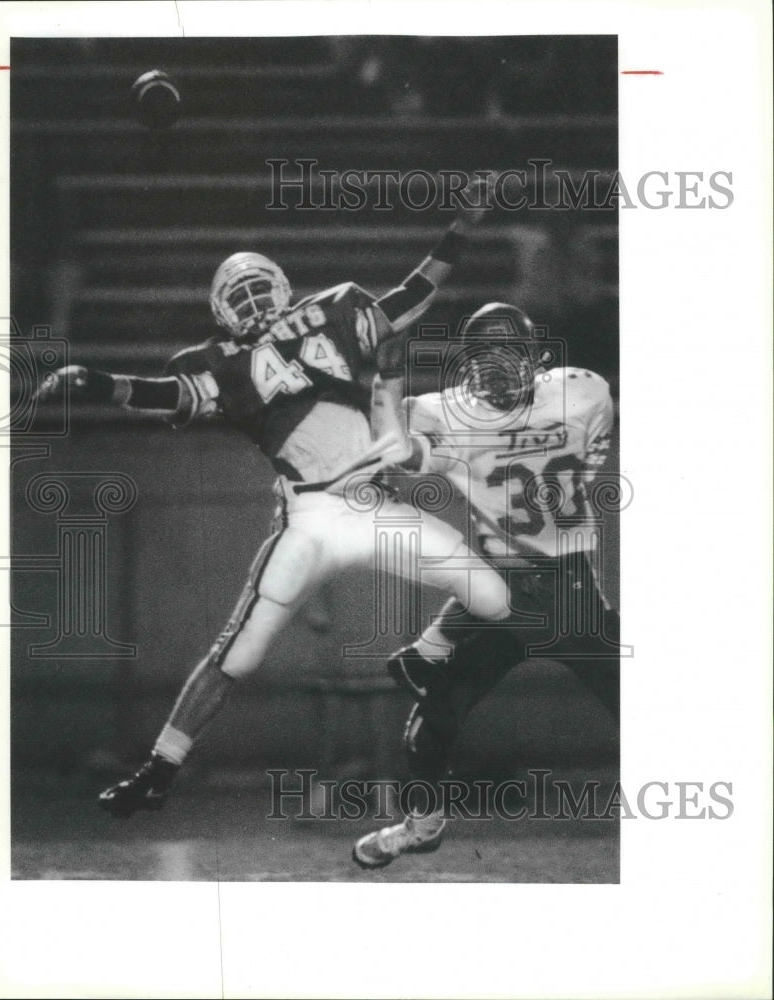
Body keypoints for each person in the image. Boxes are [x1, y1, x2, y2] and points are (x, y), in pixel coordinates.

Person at [36, 181, 515, 819]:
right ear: (221, 311)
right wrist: (96, 381)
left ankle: (426, 662)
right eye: (239, 295)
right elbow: (164, 394)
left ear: (284, 287)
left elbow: (413, 293)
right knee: (239, 650)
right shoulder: (220, 362)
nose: (254, 301)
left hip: (374, 505)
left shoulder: (335, 307)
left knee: (494, 595)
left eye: (259, 287)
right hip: (310, 518)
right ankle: (159, 769)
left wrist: (460, 227)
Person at [352, 301, 620, 868]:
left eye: (508, 352)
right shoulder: (575, 393)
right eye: (484, 354)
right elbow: (397, 451)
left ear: (536, 357)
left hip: (563, 595)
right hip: (517, 597)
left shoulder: (578, 392)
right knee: (432, 717)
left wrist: (388, 381)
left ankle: (433, 644)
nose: (497, 366)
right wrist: (388, 380)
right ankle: (422, 825)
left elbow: (394, 450)